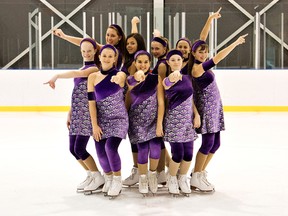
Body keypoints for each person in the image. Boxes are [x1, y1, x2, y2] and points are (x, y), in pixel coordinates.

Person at [190, 8, 248, 192]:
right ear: (193, 53)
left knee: (216, 143)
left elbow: (202, 36)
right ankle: (196, 175)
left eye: (205, 51)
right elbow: (218, 56)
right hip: (206, 107)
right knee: (208, 143)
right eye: (200, 52)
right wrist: (235, 43)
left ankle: (199, 173)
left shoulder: (200, 63)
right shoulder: (196, 69)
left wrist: (210, 19)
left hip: (215, 106)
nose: (203, 54)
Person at [44, 38, 104, 194]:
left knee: (79, 147)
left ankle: (98, 177)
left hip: (87, 114)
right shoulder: (84, 66)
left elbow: (80, 74)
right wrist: (70, 112)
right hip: (77, 113)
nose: (86, 54)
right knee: (72, 149)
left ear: (95, 50)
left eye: (89, 50)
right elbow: (78, 92)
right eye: (83, 51)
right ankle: (91, 174)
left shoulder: (95, 69)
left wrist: (57, 75)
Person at [87, 44, 128, 198]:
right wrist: (94, 124)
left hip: (119, 119)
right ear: (99, 57)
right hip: (101, 120)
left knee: (110, 148)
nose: (107, 58)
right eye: (104, 55)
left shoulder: (119, 75)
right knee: (100, 152)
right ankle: (108, 177)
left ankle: (117, 179)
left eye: (111, 56)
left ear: (114, 59)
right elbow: (91, 102)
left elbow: (122, 78)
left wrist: (118, 77)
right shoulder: (93, 77)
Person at [126, 50, 165, 195]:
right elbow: (129, 95)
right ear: (135, 63)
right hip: (137, 121)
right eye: (140, 62)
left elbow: (161, 102)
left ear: (150, 63)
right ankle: (142, 178)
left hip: (154, 120)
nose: (142, 65)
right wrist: (137, 78)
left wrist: (160, 123)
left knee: (155, 149)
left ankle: (152, 175)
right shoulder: (130, 79)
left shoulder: (156, 79)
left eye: (146, 62)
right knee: (142, 150)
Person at [162, 49, 199, 196]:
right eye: (173, 60)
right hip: (174, 120)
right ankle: (171, 178)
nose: (176, 62)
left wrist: (196, 115)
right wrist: (173, 76)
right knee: (177, 153)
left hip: (187, 121)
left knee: (189, 153)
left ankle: (182, 178)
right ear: (168, 62)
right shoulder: (168, 79)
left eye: (178, 59)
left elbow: (191, 100)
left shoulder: (188, 78)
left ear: (182, 61)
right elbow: (167, 83)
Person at [53, 24, 126, 70]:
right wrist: (64, 37)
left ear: (119, 37)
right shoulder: (107, 49)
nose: (109, 38)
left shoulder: (117, 51)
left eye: (113, 36)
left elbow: (88, 42)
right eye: (107, 35)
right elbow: (86, 42)